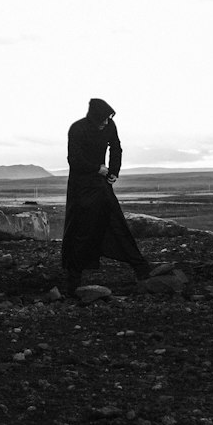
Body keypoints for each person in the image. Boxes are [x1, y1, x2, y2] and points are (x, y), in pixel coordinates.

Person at [61, 97, 151, 297]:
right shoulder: (77, 129)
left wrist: (114, 172)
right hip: (81, 186)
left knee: (115, 221)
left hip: (100, 183)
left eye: (107, 119)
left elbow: (116, 147)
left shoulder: (109, 125)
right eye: (102, 119)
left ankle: (141, 268)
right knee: (81, 227)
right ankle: (73, 279)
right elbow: (74, 160)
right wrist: (97, 169)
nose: (105, 123)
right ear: (94, 117)